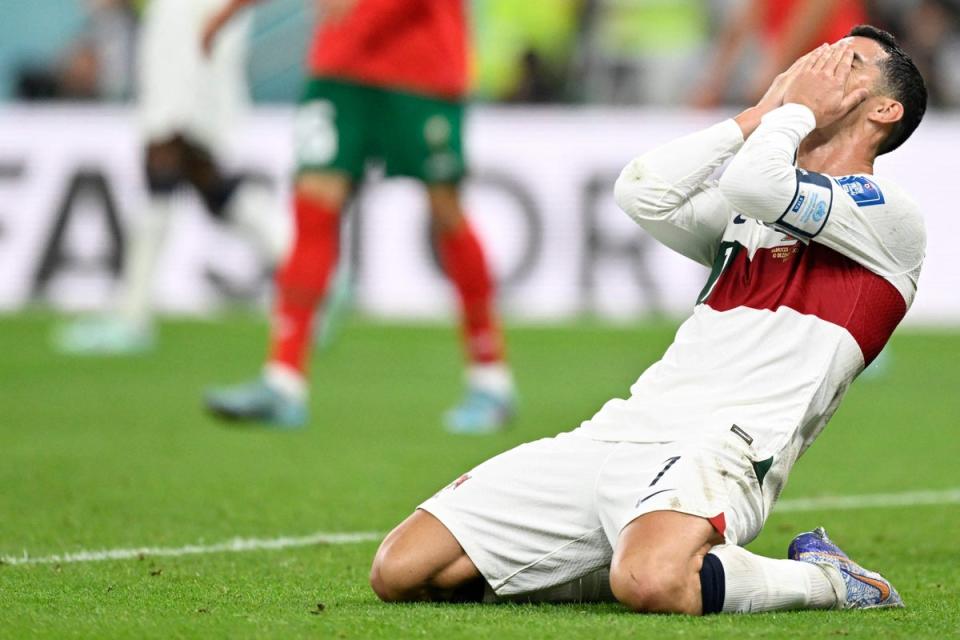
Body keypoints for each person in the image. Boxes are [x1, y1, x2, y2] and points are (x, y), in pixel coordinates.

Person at [369, 27, 927, 614]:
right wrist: (761, 113)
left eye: (850, 62)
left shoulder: (888, 218)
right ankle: (629, 558)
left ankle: (831, 582)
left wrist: (793, 114)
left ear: (885, 110)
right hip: (622, 429)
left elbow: (756, 181)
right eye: (821, 54)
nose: (821, 64)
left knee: (655, 582)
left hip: (722, 448)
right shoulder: (748, 209)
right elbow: (643, 191)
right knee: (403, 569)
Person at [201, 0, 517, 433]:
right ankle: (283, 380)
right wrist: (229, 11)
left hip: (419, 65)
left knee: (446, 211)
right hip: (340, 67)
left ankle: (490, 379)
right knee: (313, 205)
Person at [56, 0, 288, 354]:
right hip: (198, 16)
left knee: (164, 146)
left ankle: (132, 317)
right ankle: (304, 264)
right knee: (199, 166)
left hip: (191, 16)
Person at [691, 0, 867, 108]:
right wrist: (713, 81)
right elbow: (743, 22)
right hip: (804, 65)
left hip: (840, 58)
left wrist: (774, 70)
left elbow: (812, 15)